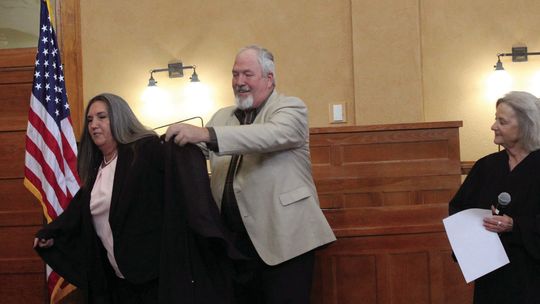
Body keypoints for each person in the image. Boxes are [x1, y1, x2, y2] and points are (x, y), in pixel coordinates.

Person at [165, 45, 336, 303]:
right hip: (235, 247)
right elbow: (196, 150)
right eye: (235, 75)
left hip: (284, 241)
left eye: (247, 74)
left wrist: (207, 134)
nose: (239, 82)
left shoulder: (291, 109)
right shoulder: (222, 116)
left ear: (269, 79)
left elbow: (267, 135)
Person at [34, 93, 238, 304]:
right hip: (118, 281)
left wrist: (183, 138)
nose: (94, 124)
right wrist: (51, 232)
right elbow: (80, 208)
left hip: (153, 277)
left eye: (102, 117)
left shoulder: (143, 152)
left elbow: (176, 163)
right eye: (90, 120)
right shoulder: (97, 169)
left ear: (119, 118)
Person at [449, 91, 540, 303]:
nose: (493, 126)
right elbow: (459, 209)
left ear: (527, 126)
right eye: (495, 119)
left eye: (502, 121)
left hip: (532, 275)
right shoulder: (486, 166)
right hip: (492, 276)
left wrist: (515, 226)